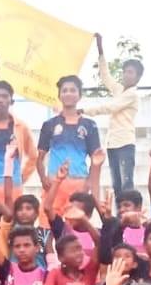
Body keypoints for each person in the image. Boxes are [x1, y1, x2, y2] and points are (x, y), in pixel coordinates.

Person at [83, 33, 142, 195]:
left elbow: (111, 107)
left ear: (137, 77)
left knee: (126, 184)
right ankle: (119, 211)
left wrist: (85, 111)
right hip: (112, 143)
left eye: (130, 72)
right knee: (117, 185)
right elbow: (105, 77)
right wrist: (100, 50)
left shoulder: (132, 94)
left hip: (125, 143)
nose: (126, 75)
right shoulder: (119, 89)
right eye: (125, 71)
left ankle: (130, 211)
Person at [37, 76, 102, 216]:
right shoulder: (49, 125)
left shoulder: (90, 125)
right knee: (49, 224)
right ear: (59, 95)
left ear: (79, 95)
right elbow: (40, 158)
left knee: (75, 225)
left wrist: (88, 183)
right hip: (54, 184)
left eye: (73, 90)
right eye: (64, 90)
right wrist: (43, 178)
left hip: (79, 184)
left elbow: (96, 159)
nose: (68, 93)